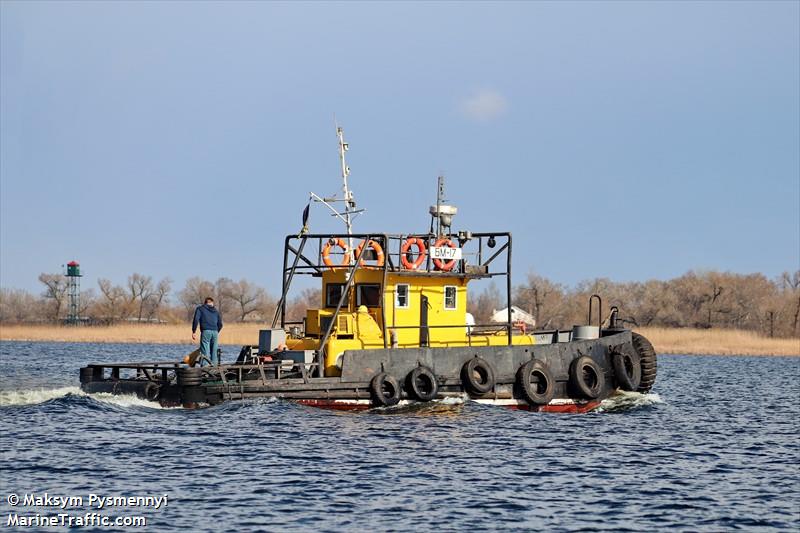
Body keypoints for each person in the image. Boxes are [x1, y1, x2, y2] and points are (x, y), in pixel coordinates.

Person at [192, 297, 223, 366]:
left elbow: (196, 320)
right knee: (214, 351)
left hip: (206, 331)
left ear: (205, 302)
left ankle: (205, 369)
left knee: (205, 351)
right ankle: (214, 369)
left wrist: (194, 331)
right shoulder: (216, 311)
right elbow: (220, 324)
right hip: (215, 332)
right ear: (212, 303)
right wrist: (216, 331)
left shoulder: (200, 309)